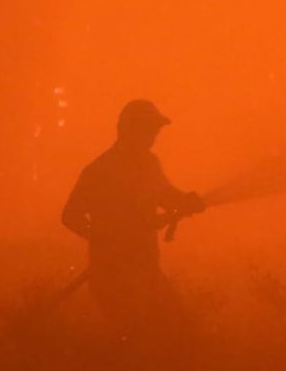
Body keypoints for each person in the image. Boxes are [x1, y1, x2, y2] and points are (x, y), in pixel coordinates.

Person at [62, 100, 205, 333]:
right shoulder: (99, 171)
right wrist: (104, 242)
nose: (154, 136)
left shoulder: (149, 164)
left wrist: (187, 201)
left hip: (147, 272)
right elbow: (70, 215)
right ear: (130, 129)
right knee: (137, 339)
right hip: (112, 278)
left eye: (155, 130)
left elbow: (166, 196)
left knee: (179, 331)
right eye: (150, 129)